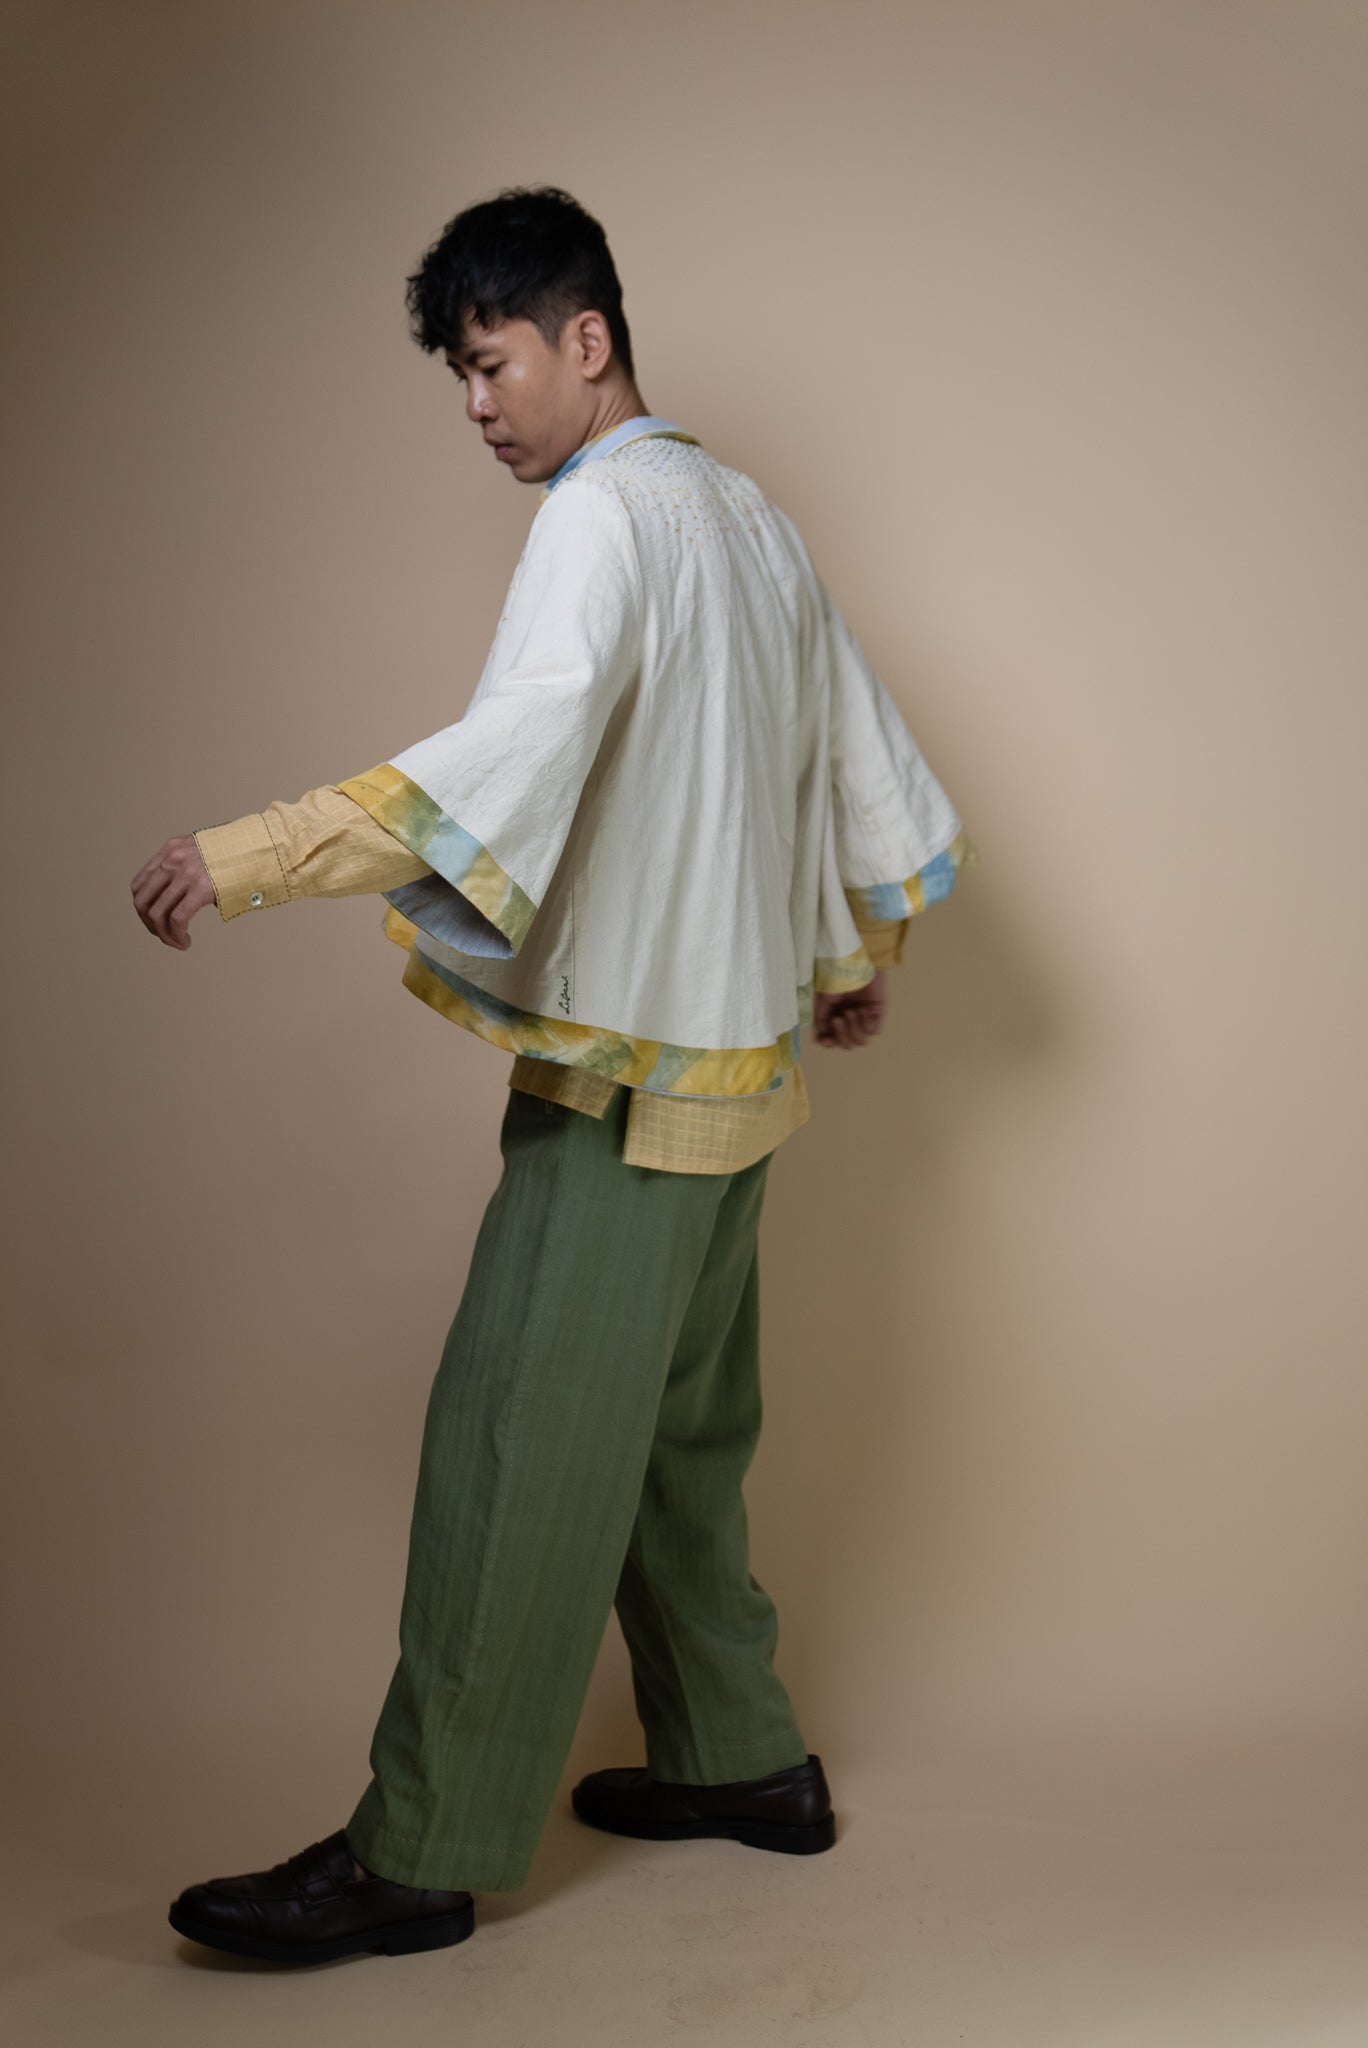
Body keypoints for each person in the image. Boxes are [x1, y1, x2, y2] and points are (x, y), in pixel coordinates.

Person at [131, 184, 979, 1968]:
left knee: (514, 1444)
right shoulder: (751, 516)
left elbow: (510, 753)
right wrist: (853, 962)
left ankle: (419, 1850)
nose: (478, 404)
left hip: (628, 1083)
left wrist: (252, 853)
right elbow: (849, 752)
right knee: (676, 1445)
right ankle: (743, 1761)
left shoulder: (606, 518)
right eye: (459, 374)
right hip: (740, 1080)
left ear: (587, 340)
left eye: (492, 361)